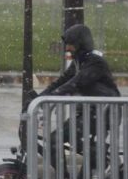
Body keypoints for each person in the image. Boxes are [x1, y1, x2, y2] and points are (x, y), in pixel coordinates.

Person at [35, 24, 121, 171]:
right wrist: (38, 98)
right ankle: (91, 165)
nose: (67, 48)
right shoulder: (79, 62)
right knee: (57, 140)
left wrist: (52, 97)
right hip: (90, 113)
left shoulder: (95, 62)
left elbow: (76, 82)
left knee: (56, 140)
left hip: (103, 113)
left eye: (70, 44)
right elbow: (62, 81)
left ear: (80, 44)